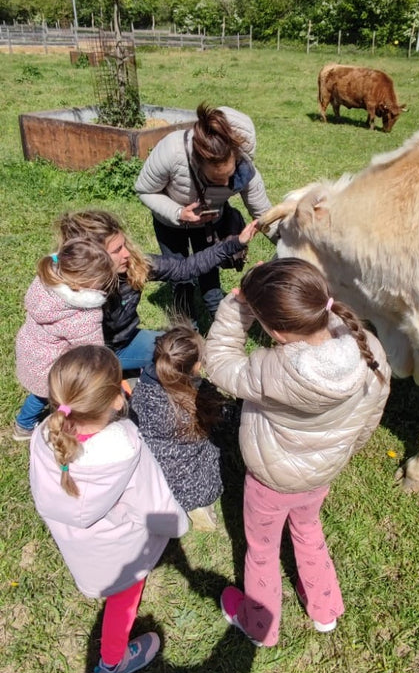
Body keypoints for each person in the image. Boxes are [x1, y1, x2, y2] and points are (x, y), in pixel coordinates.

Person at [204, 258, 391, 647]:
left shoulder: (275, 369)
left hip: (271, 481)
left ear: (276, 331)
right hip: (322, 472)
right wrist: (344, 451)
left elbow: (220, 365)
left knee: (262, 549)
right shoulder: (368, 348)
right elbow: (372, 414)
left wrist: (235, 308)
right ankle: (326, 611)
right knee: (308, 530)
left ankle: (261, 627)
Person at [29, 345, 189, 673]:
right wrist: (179, 525)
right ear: (118, 399)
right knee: (123, 602)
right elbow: (155, 504)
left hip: (78, 548)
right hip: (121, 554)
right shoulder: (126, 449)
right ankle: (113, 664)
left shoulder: (45, 437)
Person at [56, 209, 256, 371]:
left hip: (125, 343)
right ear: (91, 257)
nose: (127, 254)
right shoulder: (72, 294)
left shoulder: (132, 265)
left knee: (185, 349)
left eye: (124, 245)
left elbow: (185, 268)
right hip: (87, 359)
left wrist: (234, 244)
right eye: (117, 250)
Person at [135, 103, 272, 321]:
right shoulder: (172, 151)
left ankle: (219, 325)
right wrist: (179, 213)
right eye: (217, 179)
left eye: (231, 174)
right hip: (170, 224)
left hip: (209, 224)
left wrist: (291, 245)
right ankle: (186, 327)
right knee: (179, 275)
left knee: (209, 271)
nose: (228, 182)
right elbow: (144, 189)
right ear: (199, 161)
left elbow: (265, 214)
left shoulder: (243, 166)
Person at [130, 319, 236, 532]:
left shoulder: (142, 390)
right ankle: (199, 507)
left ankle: (190, 505)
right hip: (194, 483)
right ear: (193, 368)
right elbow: (224, 419)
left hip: (154, 477)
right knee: (226, 436)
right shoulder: (192, 403)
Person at [13, 238, 116, 441]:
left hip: (30, 346)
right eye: (101, 281)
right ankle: (24, 425)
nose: (105, 283)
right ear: (81, 283)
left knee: (39, 390)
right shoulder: (83, 315)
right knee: (45, 394)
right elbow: (92, 353)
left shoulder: (46, 280)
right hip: (49, 363)